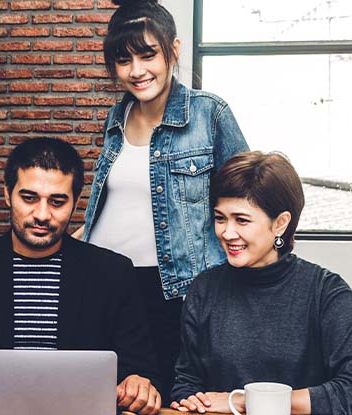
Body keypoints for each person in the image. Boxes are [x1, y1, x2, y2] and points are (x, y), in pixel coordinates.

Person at [75, 0, 249, 396]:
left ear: (174, 50)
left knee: (174, 397)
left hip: (176, 290)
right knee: (113, 398)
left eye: (147, 54)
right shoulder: (116, 117)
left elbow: (247, 201)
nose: (136, 71)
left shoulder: (210, 114)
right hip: (107, 285)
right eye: (123, 60)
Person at [0, 138, 163, 415]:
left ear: (75, 202)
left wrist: (139, 383)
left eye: (57, 202)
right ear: (7, 194)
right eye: (29, 198)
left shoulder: (112, 273)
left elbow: (142, 370)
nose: (41, 214)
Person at [169, 151, 352, 414]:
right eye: (220, 218)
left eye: (242, 220)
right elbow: (186, 383)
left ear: (281, 223)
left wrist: (244, 401)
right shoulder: (204, 289)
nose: (227, 233)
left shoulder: (327, 292)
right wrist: (190, 399)